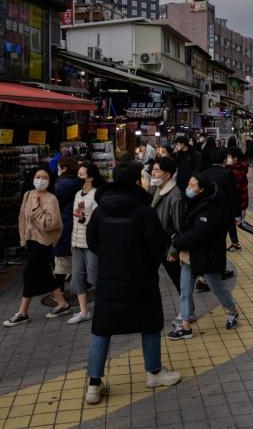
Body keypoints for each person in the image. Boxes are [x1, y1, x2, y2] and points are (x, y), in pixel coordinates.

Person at [83, 161, 180, 404]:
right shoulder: (144, 211)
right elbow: (157, 245)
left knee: (102, 329)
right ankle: (154, 372)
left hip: (108, 278)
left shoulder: (100, 210)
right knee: (149, 324)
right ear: (137, 181)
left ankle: (94, 385)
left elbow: (92, 243)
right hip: (141, 277)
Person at [169, 173, 240, 340]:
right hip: (190, 255)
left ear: (201, 189)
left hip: (208, 255)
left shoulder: (210, 208)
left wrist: (177, 242)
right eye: (189, 184)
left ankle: (232, 311)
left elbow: (197, 233)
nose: (189, 188)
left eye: (192, 186)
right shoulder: (193, 202)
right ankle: (186, 326)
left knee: (216, 286)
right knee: (185, 290)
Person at [4, 168, 70, 326]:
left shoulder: (51, 199)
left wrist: (35, 208)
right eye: (38, 177)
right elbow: (22, 218)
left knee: (29, 273)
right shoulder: (28, 195)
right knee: (45, 273)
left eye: (45, 177)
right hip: (31, 240)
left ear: (50, 180)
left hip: (45, 241)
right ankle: (62, 303)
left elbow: (49, 224)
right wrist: (22, 239)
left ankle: (22, 312)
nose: (41, 180)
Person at [67, 162, 105, 325]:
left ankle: (104, 308)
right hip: (76, 241)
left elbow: (97, 219)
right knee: (76, 277)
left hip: (91, 242)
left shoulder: (97, 194)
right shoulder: (77, 194)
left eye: (81, 175)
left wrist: (83, 218)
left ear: (90, 177)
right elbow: (77, 215)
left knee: (95, 276)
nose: (78, 177)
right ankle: (84, 311)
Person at [148, 156, 185, 301]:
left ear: (168, 175)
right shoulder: (156, 187)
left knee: (177, 278)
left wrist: (174, 250)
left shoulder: (175, 195)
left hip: (168, 246)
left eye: (157, 170)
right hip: (156, 243)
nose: (153, 173)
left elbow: (179, 226)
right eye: (153, 169)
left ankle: (188, 310)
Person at [201, 148, 241, 252]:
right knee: (220, 241)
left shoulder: (204, 174)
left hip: (207, 211)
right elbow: (233, 195)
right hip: (224, 213)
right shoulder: (227, 174)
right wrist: (237, 214)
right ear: (224, 160)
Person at [53, 157, 83, 293]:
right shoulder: (80, 183)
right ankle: (81, 288)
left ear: (64, 169)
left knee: (60, 261)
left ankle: (60, 294)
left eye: (59, 168)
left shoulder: (59, 185)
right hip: (77, 222)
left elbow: (55, 207)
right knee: (77, 258)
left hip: (64, 224)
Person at [226, 147, 249, 251]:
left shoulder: (236, 170)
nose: (228, 158)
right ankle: (235, 244)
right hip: (237, 201)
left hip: (237, 201)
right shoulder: (234, 168)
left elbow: (234, 188)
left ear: (235, 158)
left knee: (239, 223)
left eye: (229, 157)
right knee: (232, 223)